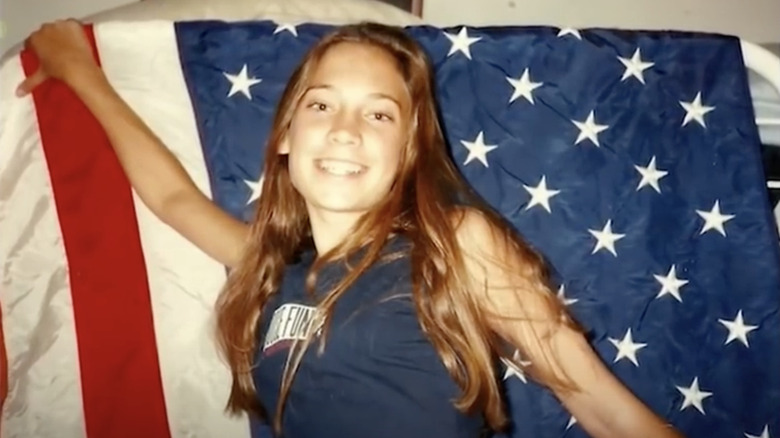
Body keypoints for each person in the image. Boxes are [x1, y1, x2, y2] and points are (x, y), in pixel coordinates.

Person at [17, 19, 684, 438]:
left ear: (410, 149)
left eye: (380, 115)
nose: (344, 129)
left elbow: (602, 406)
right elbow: (171, 199)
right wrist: (77, 67)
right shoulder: (270, 267)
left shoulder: (457, 244)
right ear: (285, 134)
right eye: (322, 104)